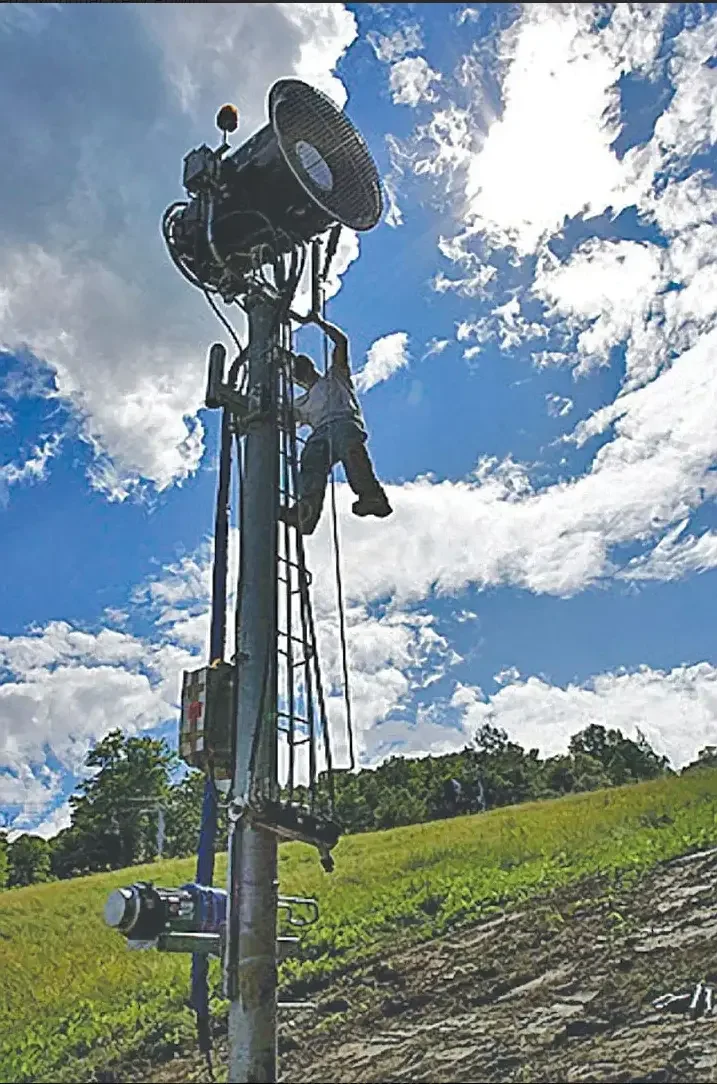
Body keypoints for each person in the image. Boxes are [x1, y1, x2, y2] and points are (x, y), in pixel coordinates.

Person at [281, 313, 393, 536]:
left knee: (351, 451)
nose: (300, 372)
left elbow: (341, 342)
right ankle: (306, 511)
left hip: (343, 422)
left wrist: (318, 322)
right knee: (311, 460)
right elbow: (282, 418)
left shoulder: (335, 376)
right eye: (296, 372)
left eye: (302, 367)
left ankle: (371, 496)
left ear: (311, 366)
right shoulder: (300, 403)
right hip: (320, 432)